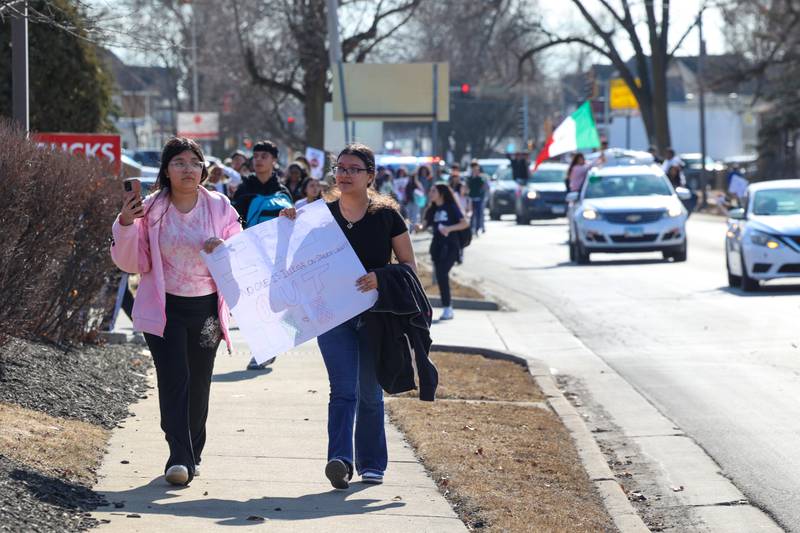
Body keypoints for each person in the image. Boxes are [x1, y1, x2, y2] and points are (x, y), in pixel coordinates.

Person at [280, 143, 418, 489]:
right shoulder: (319, 215)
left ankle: (372, 463)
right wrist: (288, 226)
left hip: (375, 316)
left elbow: (409, 266)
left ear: (370, 175)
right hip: (334, 317)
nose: (344, 174)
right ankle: (340, 459)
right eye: (339, 168)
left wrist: (380, 277)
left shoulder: (387, 216)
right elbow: (297, 261)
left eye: (353, 169)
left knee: (370, 392)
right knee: (342, 390)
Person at [110, 137, 241, 486]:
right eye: (179, 162)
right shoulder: (151, 208)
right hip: (164, 307)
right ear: (166, 170)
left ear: (204, 170)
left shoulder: (219, 206)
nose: (187, 169)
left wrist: (223, 247)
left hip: (206, 309)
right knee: (174, 379)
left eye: (194, 163)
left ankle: (193, 452)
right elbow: (130, 260)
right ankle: (178, 456)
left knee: (199, 382)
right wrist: (125, 223)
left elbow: (239, 248)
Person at [232, 140, 294, 370]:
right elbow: (234, 221)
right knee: (250, 305)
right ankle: (265, 348)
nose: (258, 161)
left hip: (275, 257)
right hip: (248, 256)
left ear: (274, 160)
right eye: (256, 156)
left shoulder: (283, 191)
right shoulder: (244, 189)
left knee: (270, 305)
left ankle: (266, 349)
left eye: (264, 156)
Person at [421, 183, 470, 321]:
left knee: (442, 273)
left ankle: (447, 307)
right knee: (441, 276)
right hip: (437, 246)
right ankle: (447, 307)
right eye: (430, 190)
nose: (430, 193)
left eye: (433, 191)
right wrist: (417, 227)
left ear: (441, 193)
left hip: (451, 246)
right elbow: (423, 225)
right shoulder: (432, 210)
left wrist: (449, 228)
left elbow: (464, 223)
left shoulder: (451, 207)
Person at [466, 160, 489, 235]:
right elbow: (467, 187)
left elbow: (484, 187)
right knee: (472, 214)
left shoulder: (481, 178)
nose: (475, 170)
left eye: (476, 169)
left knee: (479, 213)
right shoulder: (469, 178)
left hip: (479, 198)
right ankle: (471, 228)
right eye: (473, 169)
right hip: (471, 198)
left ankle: (478, 228)